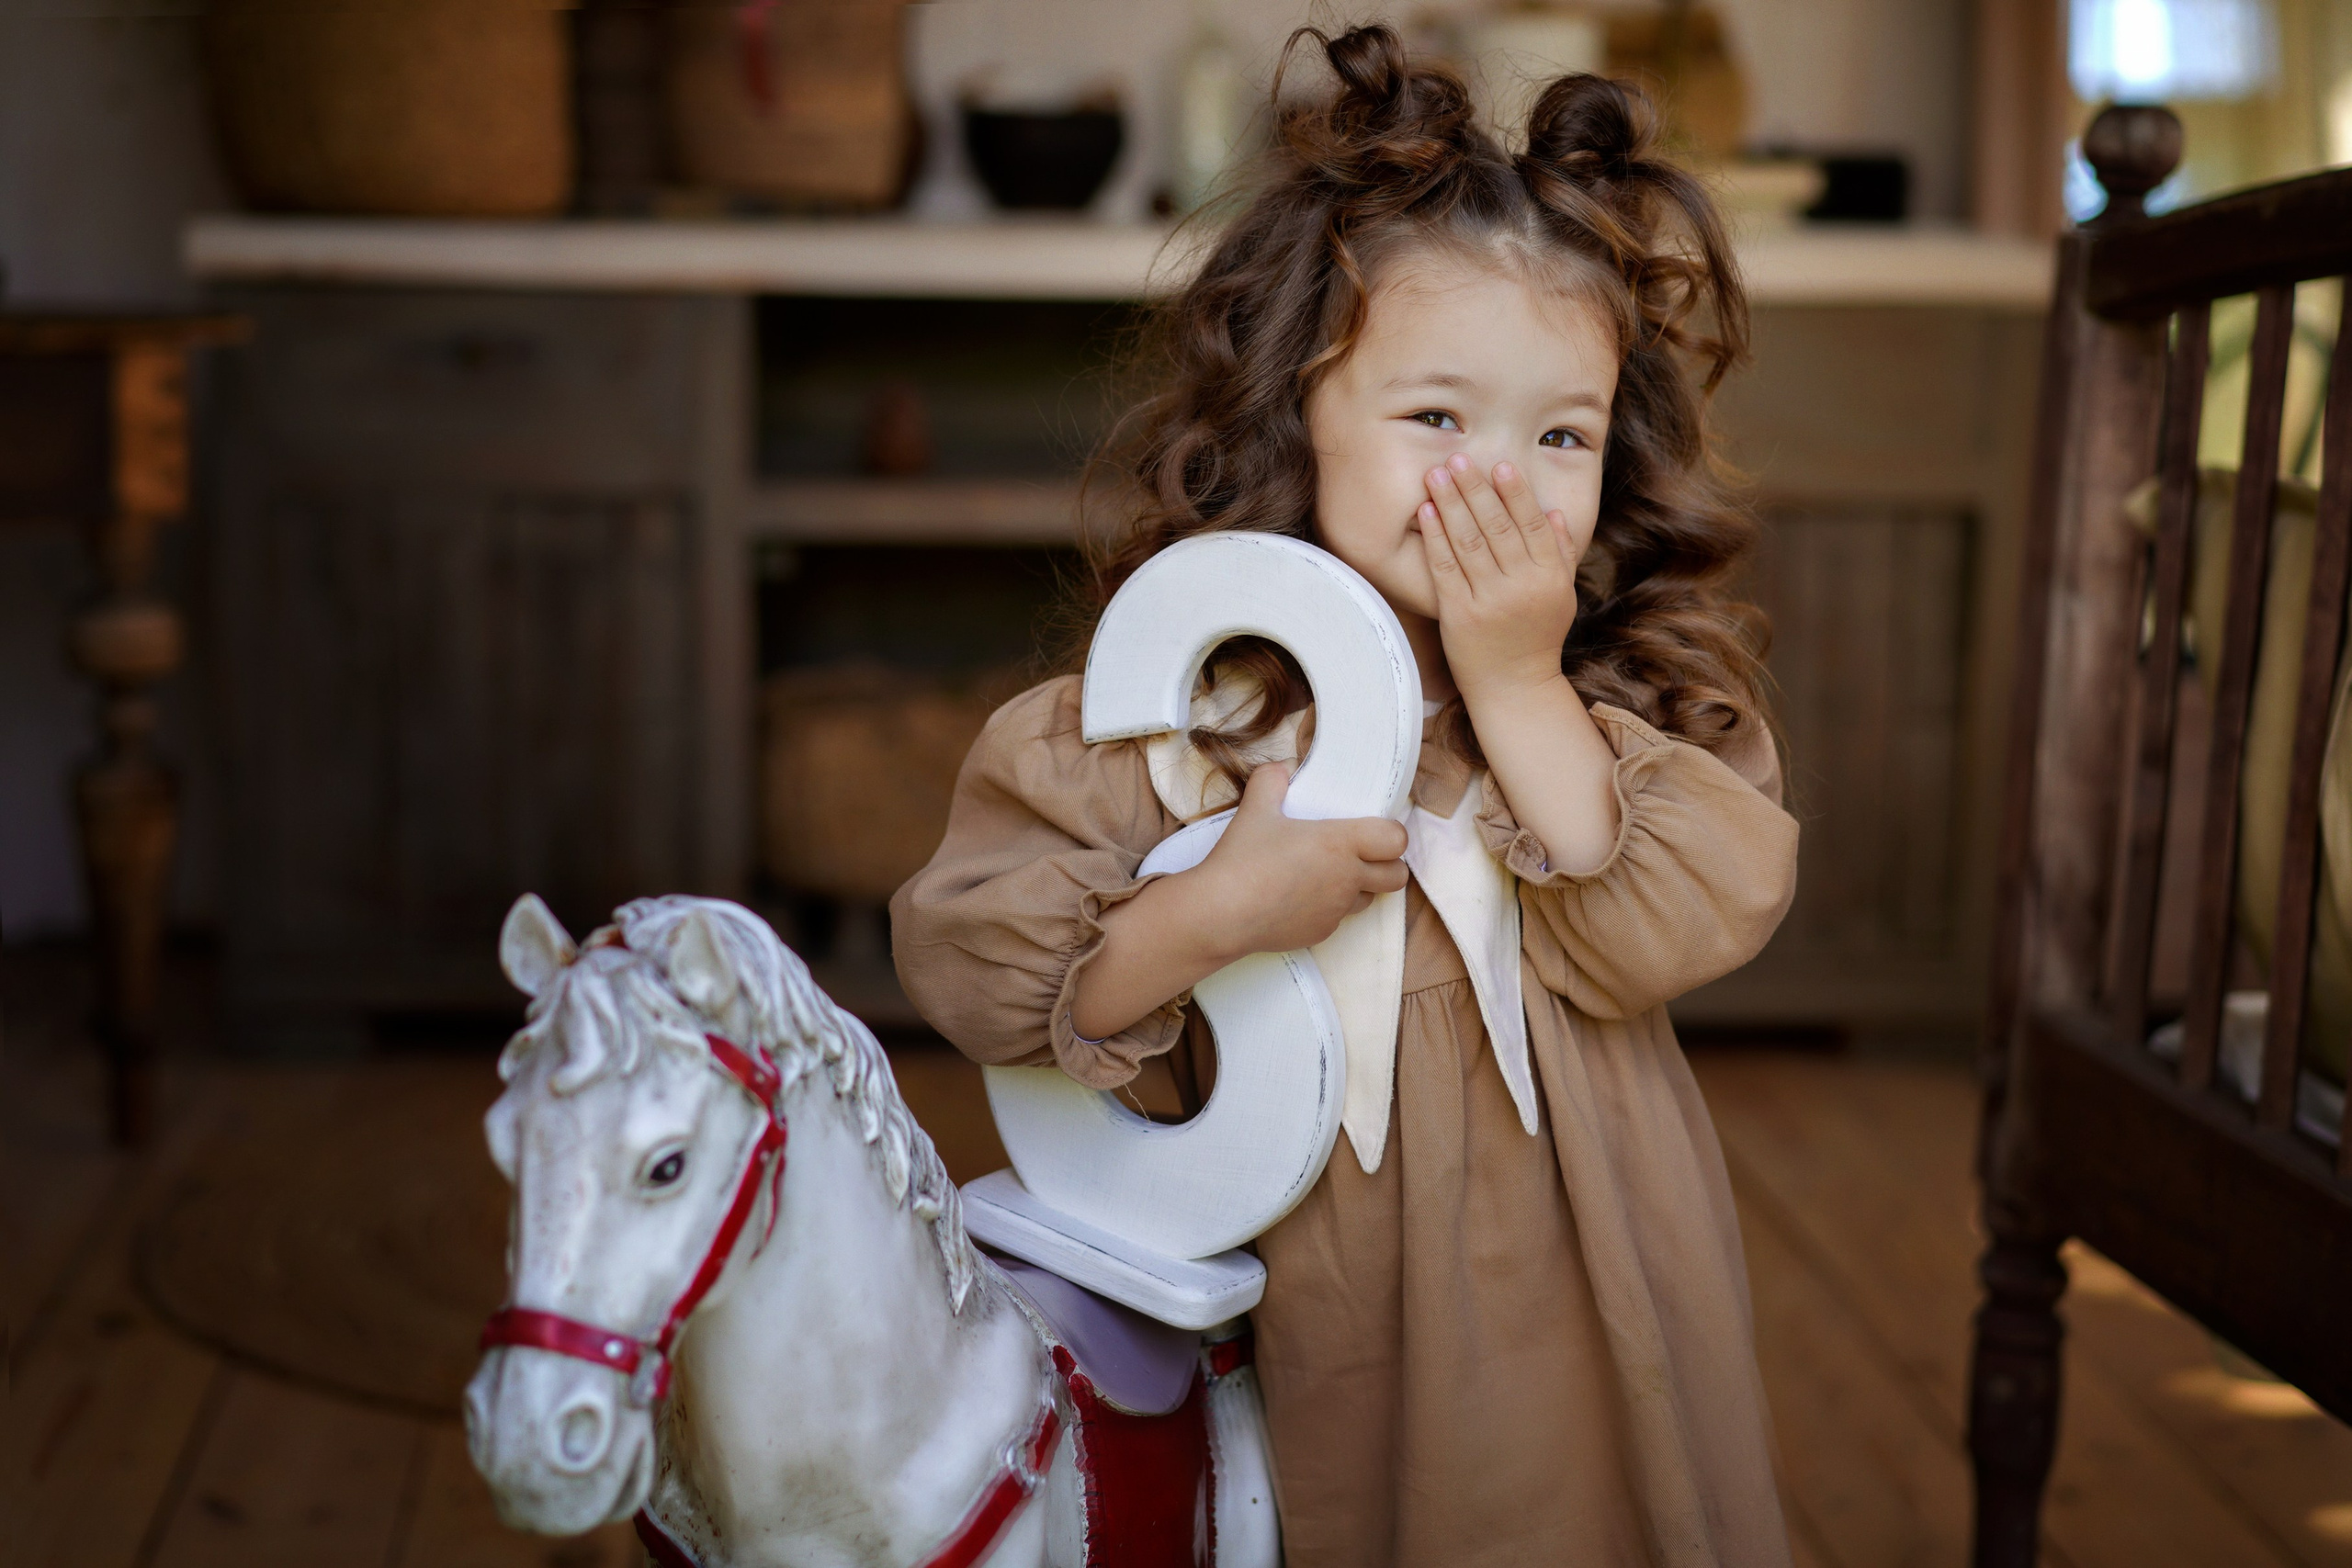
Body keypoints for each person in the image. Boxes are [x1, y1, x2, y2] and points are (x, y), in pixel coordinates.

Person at [891, 24, 1799, 1566]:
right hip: (1264, 1288)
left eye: (1559, 435)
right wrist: (1218, 911)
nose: (1496, 485)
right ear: (1296, 406)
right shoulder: (1178, 716)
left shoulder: (1617, 714)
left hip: (1557, 1290)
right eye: (1437, 418)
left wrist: (1515, 683)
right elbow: (990, 982)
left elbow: (1655, 928)